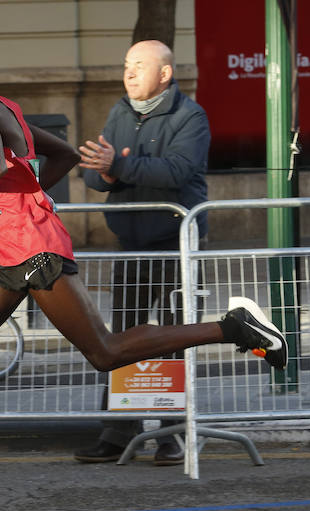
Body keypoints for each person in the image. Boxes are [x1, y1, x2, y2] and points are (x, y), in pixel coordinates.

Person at [0, 36, 286, 511]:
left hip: (34, 252)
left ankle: (233, 328)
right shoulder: (1, 109)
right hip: (13, 247)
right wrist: (12, 205)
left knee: (104, 352)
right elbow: (59, 157)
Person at [75, 39, 211, 467]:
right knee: (123, 339)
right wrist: (106, 171)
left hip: (174, 246)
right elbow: (95, 174)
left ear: (165, 74)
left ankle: (172, 436)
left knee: (174, 340)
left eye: (139, 65)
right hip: (131, 245)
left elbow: (176, 171)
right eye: (126, 65)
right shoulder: (120, 112)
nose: (128, 73)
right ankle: (118, 433)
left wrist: (118, 166)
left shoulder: (190, 116)